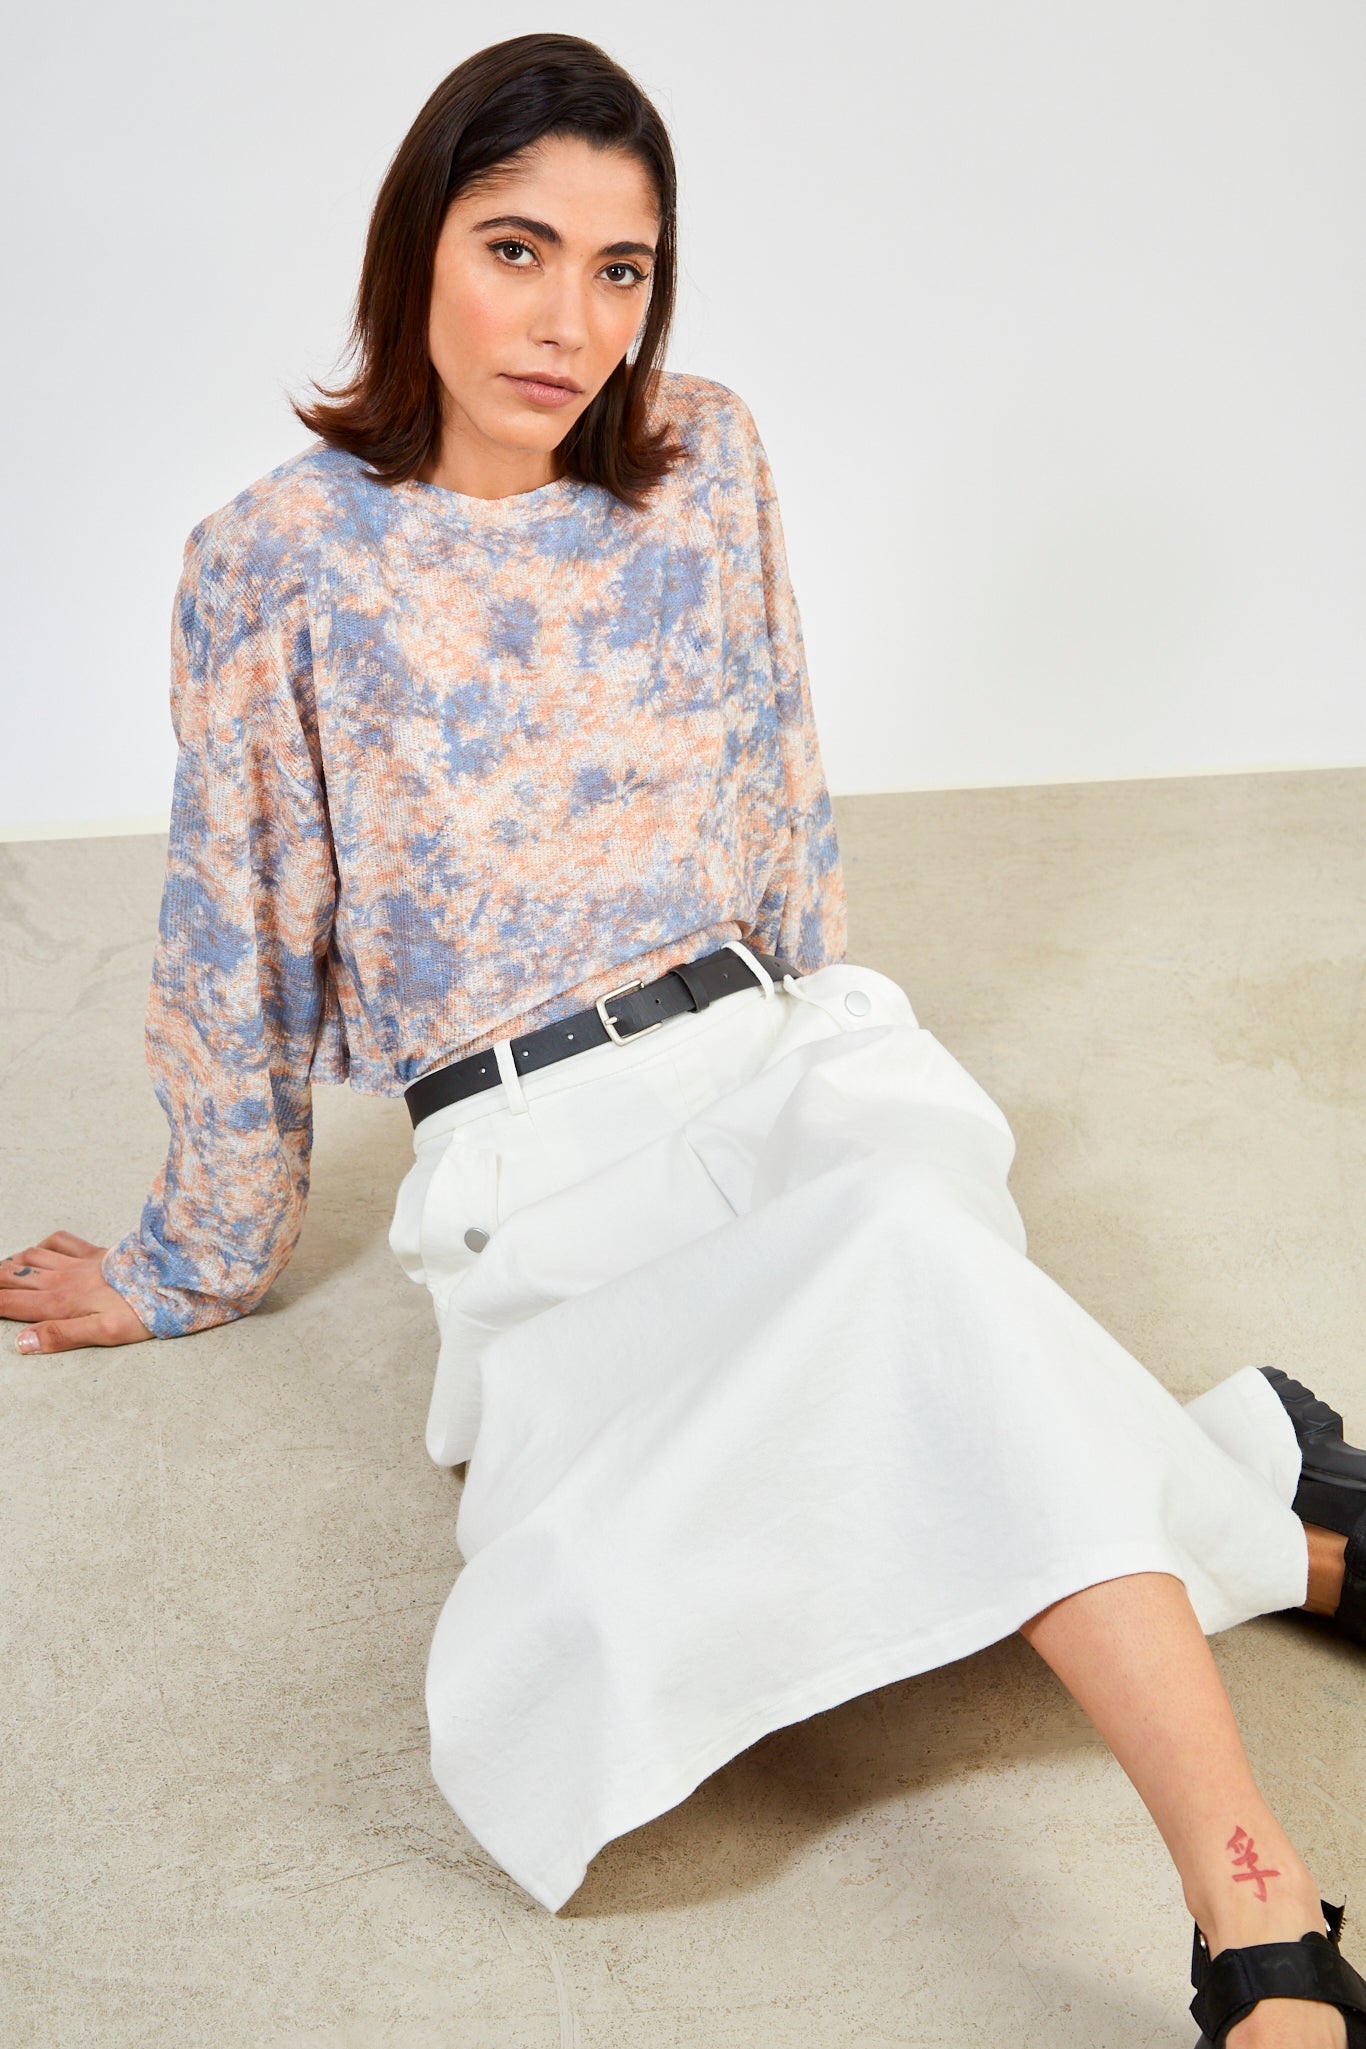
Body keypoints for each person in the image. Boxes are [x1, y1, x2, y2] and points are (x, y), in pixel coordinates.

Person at [3, 32, 1364, 2046]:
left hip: (780, 1062)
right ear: (414, 247)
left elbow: (775, 771)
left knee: (896, 1249)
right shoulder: (272, 561)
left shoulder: (702, 457)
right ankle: (1288, 1522)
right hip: (533, 1167)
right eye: (517, 250)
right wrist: (191, 1255)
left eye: (620, 269)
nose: (570, 323)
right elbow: (240, 920)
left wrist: (837, 1036)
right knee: (667, 1548)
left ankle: (1252, 1915)